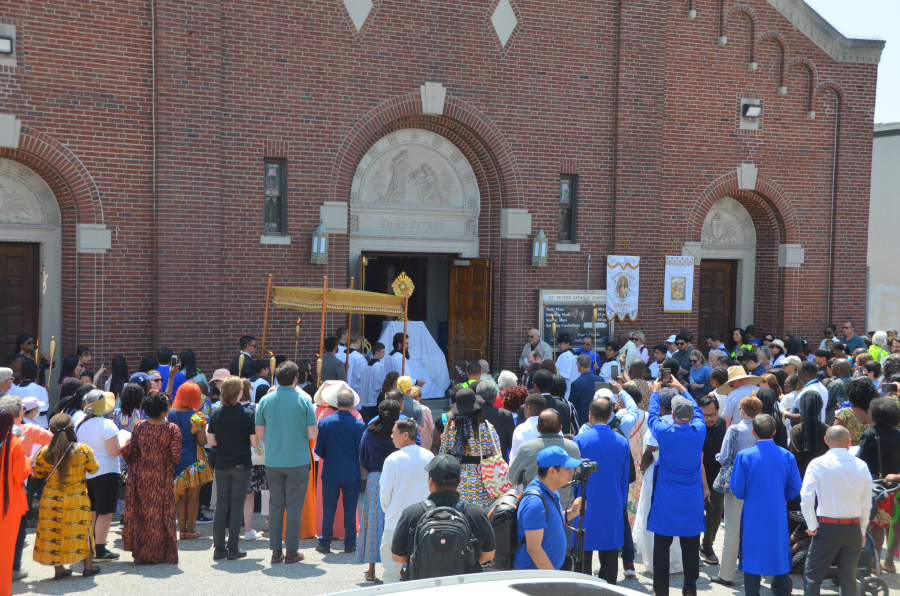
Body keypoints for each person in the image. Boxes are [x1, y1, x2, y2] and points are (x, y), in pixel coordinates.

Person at [729, 414, 802, 596]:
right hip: (777, 513)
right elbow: (795, 487)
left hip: (753, 513)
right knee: (779, 552)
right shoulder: (787, 456)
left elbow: (737, 489)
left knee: (752, 555)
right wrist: (780, 496)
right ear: (775, 432)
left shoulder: (744, 456)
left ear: (754, 432)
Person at [390, 453, 495, 579]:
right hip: (465, 587)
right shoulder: (476, 513)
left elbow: (397, 555)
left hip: (421, 587)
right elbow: (489, 555)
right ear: (459, 481)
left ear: (430, 481)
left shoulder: (412, 513)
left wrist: (425, 563)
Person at [255, 361, 318, 564]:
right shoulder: (304, 400)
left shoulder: (265, 399)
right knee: (294, 506)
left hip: (273, 460)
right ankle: (291, 551)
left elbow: (260, 433)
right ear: (295, 379)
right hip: (298, 460)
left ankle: (275, 552)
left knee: (276, 505)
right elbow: (312, 433)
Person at [646, 378, 705, 596]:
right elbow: (698, 411)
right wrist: (682, 389)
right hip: (691, 498)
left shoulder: (664, 431)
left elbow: (652, 416)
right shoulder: (699, 430)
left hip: (667, 497)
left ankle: (661, 591)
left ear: (672, 415)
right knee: (691, 547)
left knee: (662, 546)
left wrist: (654, 392)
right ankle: (690, 589)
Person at [801, 425, 872, 596]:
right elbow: (866, 503)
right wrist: (862, 530)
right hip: (853, 527)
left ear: (826, 440)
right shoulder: (861, 465)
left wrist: (812, 525)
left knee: (813, 575)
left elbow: (806, 497)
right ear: (849, 442)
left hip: (826, 527)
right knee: (849, 577)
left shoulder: (817, 464)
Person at [32, 413, 101, 578]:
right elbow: (94, 468)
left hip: (51, 500)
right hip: (77, 499)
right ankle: (88, 566)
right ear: (72, 429)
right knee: (83, 530)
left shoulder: (44, 452)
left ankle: (60, 569)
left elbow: (39, 473)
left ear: (52, 430)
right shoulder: (83, 450)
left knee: (56, 532)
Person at [120, 391, 182, 563]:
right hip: (162, 477)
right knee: (162, 515)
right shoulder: (172, 429)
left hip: (140, 476)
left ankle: (142, 554)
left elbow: (129, 450)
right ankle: (162, 554)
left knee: (142, 514)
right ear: (164, 411)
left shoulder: (140, 426)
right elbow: (176, 456)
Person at [574, 396, 630, 583]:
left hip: (584, 503)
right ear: (610, 415)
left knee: (583, 552)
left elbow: (572, 477)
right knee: (610, 554)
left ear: (590, 414)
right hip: (612, 503)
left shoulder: (579, 440)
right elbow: (624, 479)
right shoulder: (622, 441)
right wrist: (621, 503)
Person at [709, 395, 762, 586]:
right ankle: (751, 568)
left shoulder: (735, 429)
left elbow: (723, 457)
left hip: (736, 481)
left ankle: (726, 574)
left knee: (732, 529)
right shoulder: (760, 429)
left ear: (742, 410)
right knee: (752, 527)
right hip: (756, 482)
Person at [206, 376, 257, 560]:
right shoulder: (248, 415)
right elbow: (254, 442)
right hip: (241, 464)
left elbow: (211, 441)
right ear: (240, 392)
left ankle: (219, 548)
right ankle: (233, 548)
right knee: (236, 507)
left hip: (222, 464)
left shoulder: (216, 414)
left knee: (221, 506)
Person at [380, 417, 434, 583]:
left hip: (396, 521)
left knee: (391, 572)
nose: (391, 436)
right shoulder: (429, 456)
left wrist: (389, 511)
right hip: (424, 521)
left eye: (393, 432)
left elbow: (384, 496)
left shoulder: (393, 459)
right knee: (422, 571)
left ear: (404, 435)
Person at [512, 446, 583, 570]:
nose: (571, 472)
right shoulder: (535, 502)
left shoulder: (549, 490)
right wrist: (553, 581)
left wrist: (572, 512)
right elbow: (534, 548)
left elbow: (547, 520)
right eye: (567, 468)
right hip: (535, 579)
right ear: (552, 471)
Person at [314, 386, 366, 554]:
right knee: (350, 508)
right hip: (351, 470)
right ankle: (350, 542)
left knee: (329, 507)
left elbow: (319, 450)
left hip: (330, 470)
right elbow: (362, 451)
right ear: (352, 405)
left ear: (336, 403)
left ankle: (324, 542)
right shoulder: (359, 425)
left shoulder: (324, 422)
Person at [74, 390, 121, 562]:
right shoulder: (107, 425)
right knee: (106, 512)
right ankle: (100, 549)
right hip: (106, 471)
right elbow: (114, 451)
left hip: (86, 472)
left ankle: (89, 547)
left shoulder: (80, 424)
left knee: (92, 511)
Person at [357, 399, 401, 583]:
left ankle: (371, 570)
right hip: (399, 476)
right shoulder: (401, 431)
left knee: (373, 524)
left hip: (376, 477)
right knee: (400, 522)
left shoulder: (370, 431)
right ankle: (401, 569)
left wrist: (373, 469)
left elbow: (363, 456)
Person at [856, 395, 900, 569]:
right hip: (897, 486)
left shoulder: (869, 434)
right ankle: (889, 561)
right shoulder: (899, 434)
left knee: (876, 525)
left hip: (878, 486)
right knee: (894, 525)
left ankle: (873, 563)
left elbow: (859, 461)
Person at [440, 388, 503, 508]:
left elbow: (443, 452)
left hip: (457, 480)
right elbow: (496, 453)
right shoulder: (486, 427)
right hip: (484, 480)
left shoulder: (450, 427)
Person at [510, 409, 580, 506]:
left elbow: (513, 478)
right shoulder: (573, 447)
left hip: (534, 502)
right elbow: (577, 477)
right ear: (560, 428)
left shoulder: (525, 449)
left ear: (538, 428)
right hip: (565, 505)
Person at [1, 408, 30, 588]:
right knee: (5, 554)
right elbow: (20, 476)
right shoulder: (14, 443)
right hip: (8, 505)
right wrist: (28, 463)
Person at [697, 394, 726, 565]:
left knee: (714, 514)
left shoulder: (722, 423)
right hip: (696, 477)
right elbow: (698, 461)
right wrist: (705, 487)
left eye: (712, 414)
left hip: (717, 478)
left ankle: (707, 546)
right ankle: (691, 547)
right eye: (705, 415)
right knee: (694, 514)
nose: (709, 419)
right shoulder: (697, 427)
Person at [789, 390, 830, 480]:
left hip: (803, 475)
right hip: (823, 475)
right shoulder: (827, 429)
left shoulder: (797, 429)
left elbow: (795, 457)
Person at [476, 380, 513, 461]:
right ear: (493, 397)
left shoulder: (471, 414)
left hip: (476, 465)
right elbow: (511, 443)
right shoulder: (505, 414)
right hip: (498, 463)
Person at [8, 358, 51, 428]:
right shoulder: (39, 389)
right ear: (36, 372)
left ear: (22, 372)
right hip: (38, 427)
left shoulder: (14, 389)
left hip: (20, 426)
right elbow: (43, 411)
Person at [568, 353, 603, 426]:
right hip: (599, 418)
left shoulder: (576, 383)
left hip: (582, 420)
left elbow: (571, 404)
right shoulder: (601, 379)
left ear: (578, 366)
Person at [510, 393, 547, 461]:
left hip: (527, 470)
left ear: (528, 409)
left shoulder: (520, 430)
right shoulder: (554, 428)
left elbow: (514, 458)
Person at [359, 342, 386, 424]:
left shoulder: (366, 366)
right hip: (374, 400)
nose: (384, 354)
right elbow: (378, 385)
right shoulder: (379, 366)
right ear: (376, 352)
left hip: (364, 400)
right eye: (382, 352)